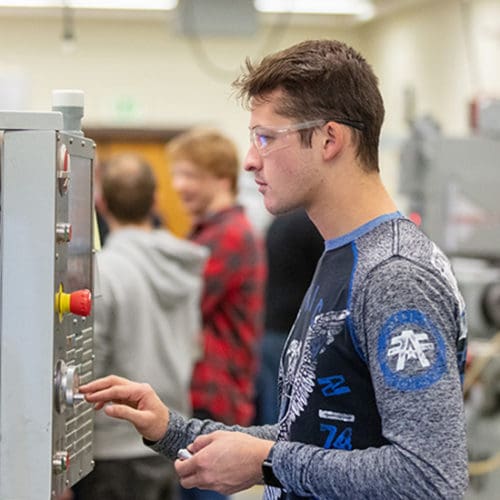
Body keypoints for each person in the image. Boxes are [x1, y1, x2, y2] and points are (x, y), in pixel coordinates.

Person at [80, 40, 469, 499]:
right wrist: (174, 430)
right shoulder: (341, 255)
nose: (249, 160)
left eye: (266, 137)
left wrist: (267, 462)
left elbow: (429, 478)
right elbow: (317, 434)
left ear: (329, 139)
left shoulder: (395, 275)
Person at [73, 153, 208, 500]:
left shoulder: (103, 271)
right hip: (168, 435)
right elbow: (194, 345)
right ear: (155, 200)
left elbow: (91, 366)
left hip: (112, 449)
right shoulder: (185, 264)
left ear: (100, 204)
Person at [167, 128, 267, 500]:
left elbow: (179, 307)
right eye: (177, 174)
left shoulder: (229, 236)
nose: (178, 185)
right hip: (201, 396)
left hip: (215, 399)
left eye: (190, 175)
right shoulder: (205, 234)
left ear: (221, 178)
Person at [254, 209, 324, 425]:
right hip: (292, 330)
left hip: (270, 328)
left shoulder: (277, 224)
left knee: (272, 404)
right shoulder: (312, 225)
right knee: (286, 413)